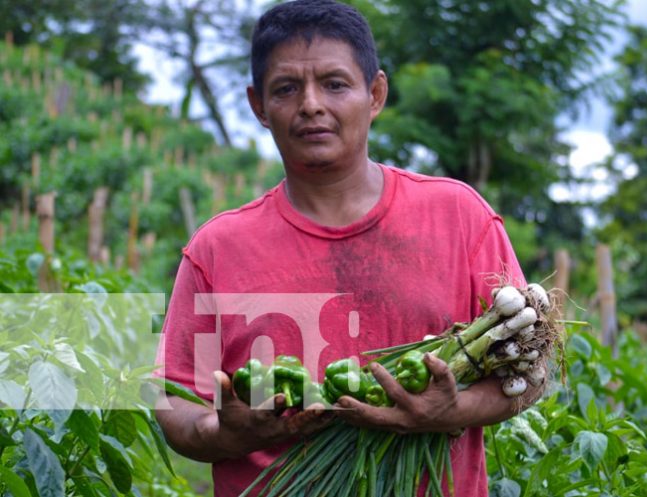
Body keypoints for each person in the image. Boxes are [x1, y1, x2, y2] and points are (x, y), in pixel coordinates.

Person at [154, 0, 541, 495]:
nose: (311, 104)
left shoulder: (459, 217)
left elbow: (528, 369)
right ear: (258, 107)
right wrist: (223, 433)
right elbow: (176, 401)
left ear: (375, 93)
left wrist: (454, 410)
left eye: (335, 84)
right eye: (287, 89)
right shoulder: (217, 248)